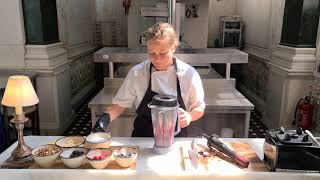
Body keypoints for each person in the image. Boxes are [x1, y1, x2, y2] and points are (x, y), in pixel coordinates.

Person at [93, 22, 205, 137]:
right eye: (152, 53)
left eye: (163, 53)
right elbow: (119, 105)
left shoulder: (188, 74)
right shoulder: (138, 73)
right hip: (142, 138)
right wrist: (103, 121)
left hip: (175, 139)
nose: (157, 59)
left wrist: (190, 116)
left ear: (173, 48)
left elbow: (199, 107)